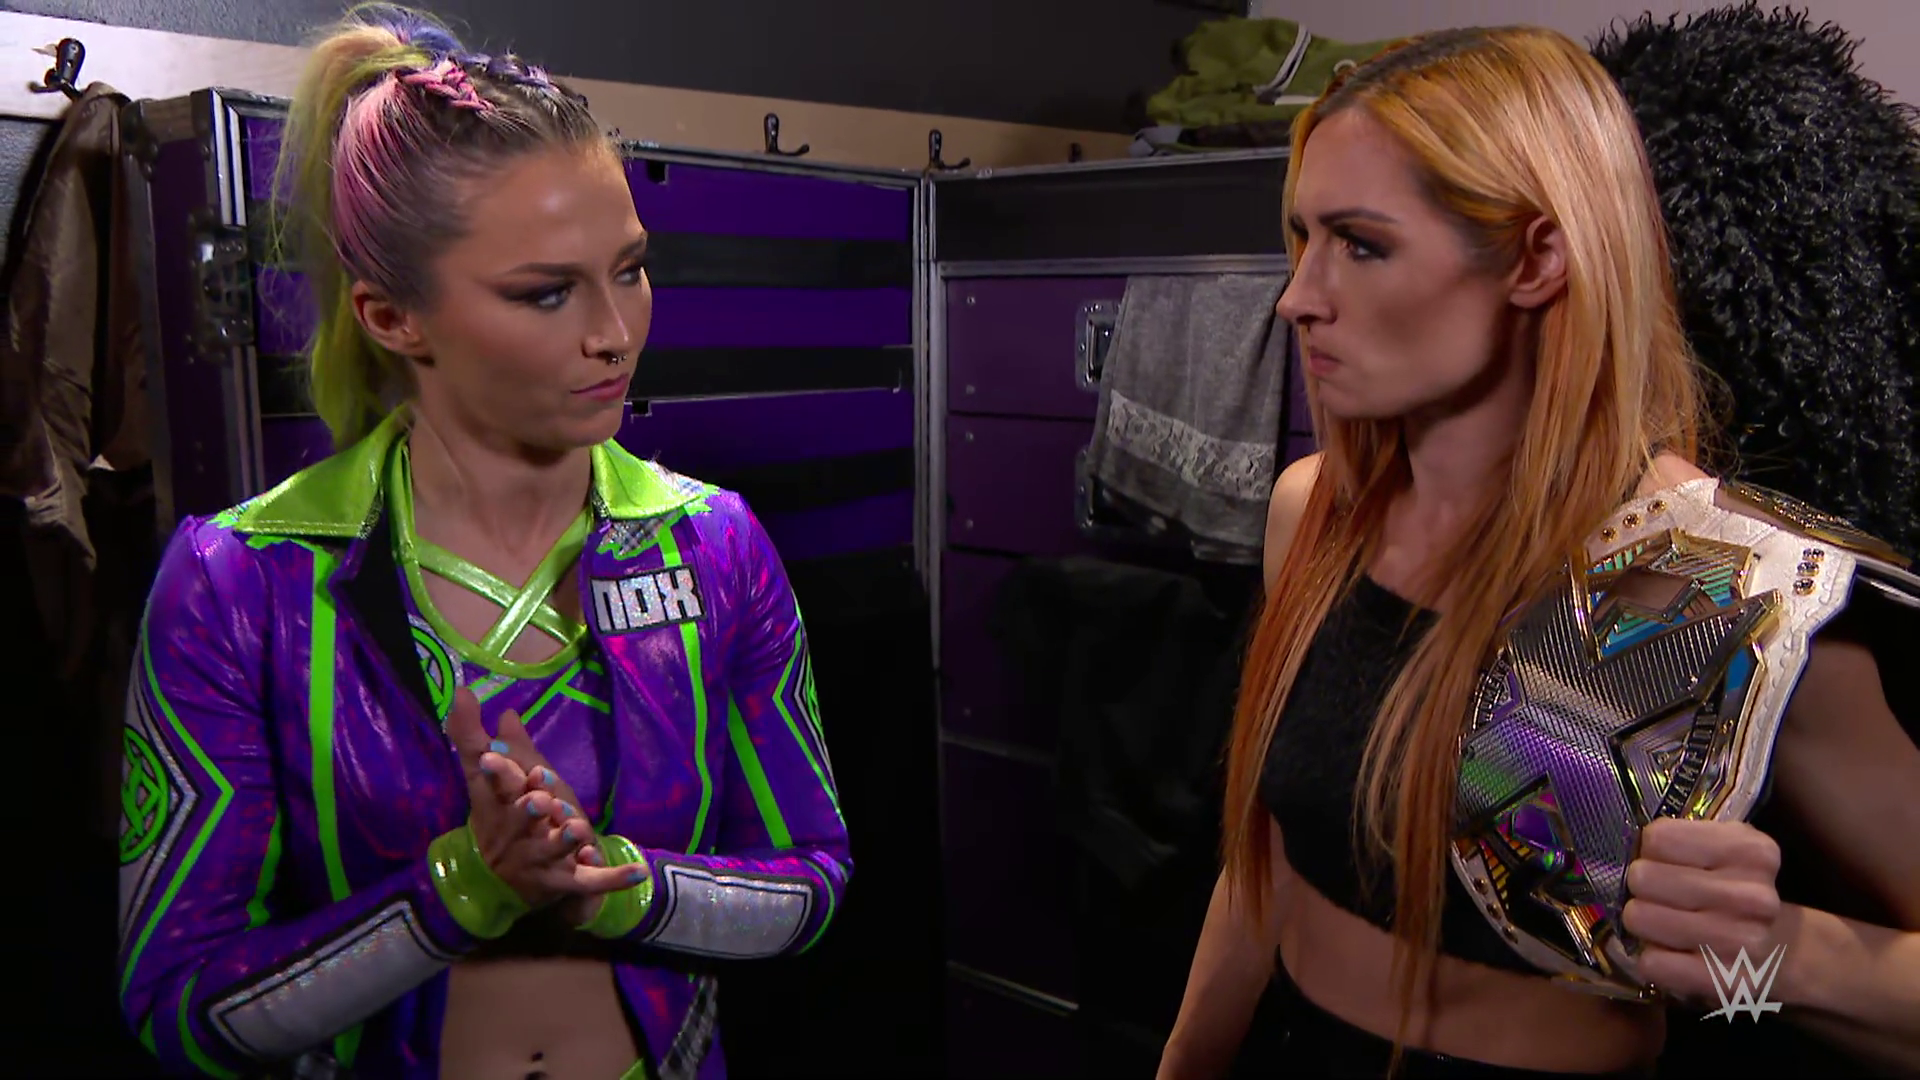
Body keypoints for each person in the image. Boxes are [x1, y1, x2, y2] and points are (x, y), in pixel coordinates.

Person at [1156, 24, 1920, 1080]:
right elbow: (1263, 874)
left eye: (1362, 245)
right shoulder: (1316, 515)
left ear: (1536, 258)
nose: (1298, 297)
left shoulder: (1734, 594)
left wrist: (1774, 958)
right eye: (1304, 238)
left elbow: (1827, 998)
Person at [115, 5, 849, 1078]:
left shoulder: (715, 547)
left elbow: (813, 881)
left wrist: (620, 886)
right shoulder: (240, 583)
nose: (615, 334)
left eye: (631, 269)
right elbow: (180, 1003)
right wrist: (460, 891)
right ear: (391, 317)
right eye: (547, 292)